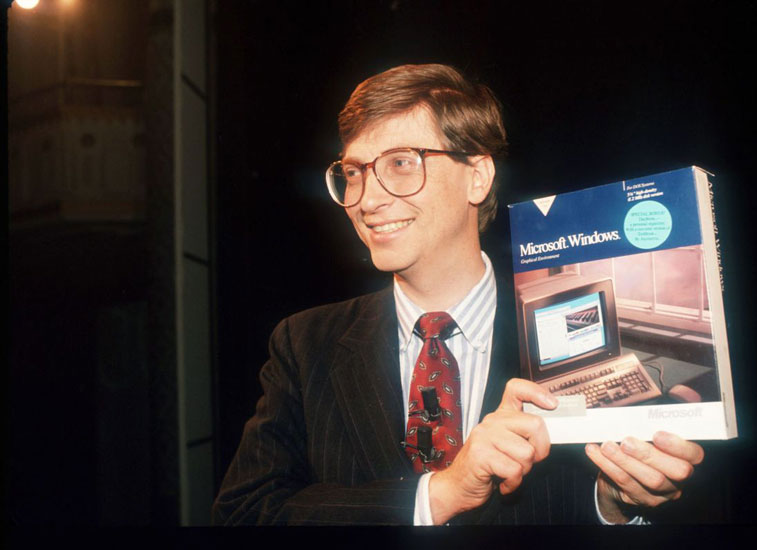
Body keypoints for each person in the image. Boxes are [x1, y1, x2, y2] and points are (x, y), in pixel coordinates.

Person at [212, 64, 705, 526]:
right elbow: (244, 512)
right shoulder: (305, 343)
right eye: (355, 172)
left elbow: (578, 501)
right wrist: (439, 494)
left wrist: (617, 502)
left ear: (478, 176)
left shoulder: (562, 327)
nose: (367, 199)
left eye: (401, 163)